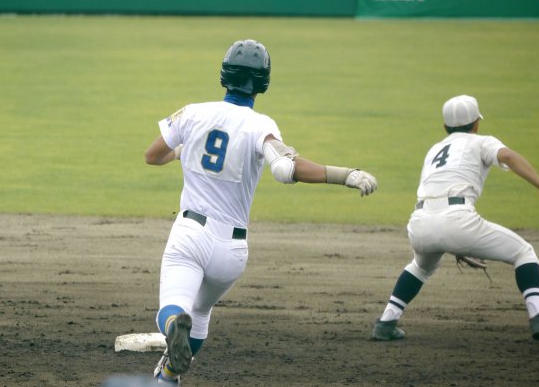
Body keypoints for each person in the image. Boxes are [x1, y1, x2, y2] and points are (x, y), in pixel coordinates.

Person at [145, 39, 378, 385]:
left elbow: (152, 155)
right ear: (263, 82)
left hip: (190, 235)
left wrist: (181, 152)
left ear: (223, 74)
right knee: (202, 312)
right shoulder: (260, 125)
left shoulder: (192, 112)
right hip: (232, 251)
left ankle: (172, 330)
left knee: (175, 309)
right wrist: (348, 175)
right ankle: (168, 376)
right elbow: (288, 168)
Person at [371, 95, 539, 342]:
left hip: (420, 222)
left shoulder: (434, 149)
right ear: (476, 124)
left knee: (421, 267)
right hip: (457, 221)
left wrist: (454, 240)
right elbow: (509, 157)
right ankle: (538, 317)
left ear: (445, 127)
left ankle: (386, 322)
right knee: (524, 253)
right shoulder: (481, 142)